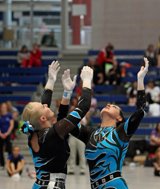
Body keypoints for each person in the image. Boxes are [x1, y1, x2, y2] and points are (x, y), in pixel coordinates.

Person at [70, 58, 149, 189]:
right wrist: (67, 94)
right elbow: (66, 124)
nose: (108, 104)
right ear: (100, 118)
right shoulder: (90, 133)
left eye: (113, 106)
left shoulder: (121, 132)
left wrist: (140, 80)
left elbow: (140, 111)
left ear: (119, 118)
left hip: (115, 185)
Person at [21, 60, 93, 189]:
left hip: (39, 185)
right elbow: (84, 107)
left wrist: (57, 86)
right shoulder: (53, 133)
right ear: (43, 118)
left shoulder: (32, 132)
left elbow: (56, 115)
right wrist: (87, 82)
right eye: (43, 107)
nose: (45, 105)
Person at [0, 102, 14, 169]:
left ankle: (11, 163)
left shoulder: (9, 115)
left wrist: (7, 133)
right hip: (1, 135)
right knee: (0, 150)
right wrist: (0, 134)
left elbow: (11, 125)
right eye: (3, 107)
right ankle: (2, 164)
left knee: (9, 149)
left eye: (5, 107)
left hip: (7, 134)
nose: (4, 109)